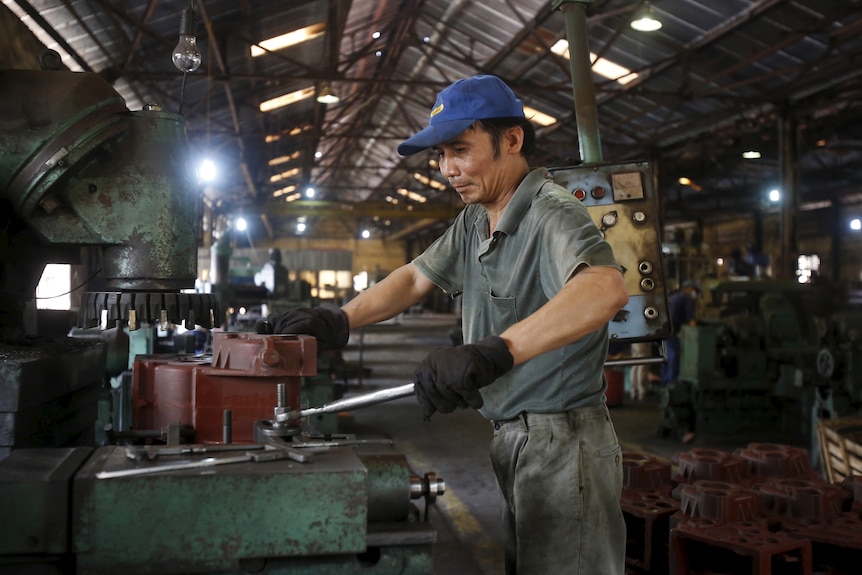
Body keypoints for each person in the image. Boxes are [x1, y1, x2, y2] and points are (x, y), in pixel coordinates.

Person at [263, 75, 629, 574]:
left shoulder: (551, 214)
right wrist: (338, 320)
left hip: (565, 442)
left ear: (513, 139)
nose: (447, 170)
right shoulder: (477, 219)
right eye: (439, 156)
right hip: (518, 437)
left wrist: (492, 351)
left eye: (460, 149)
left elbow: (604, 289)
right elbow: (415, 277)